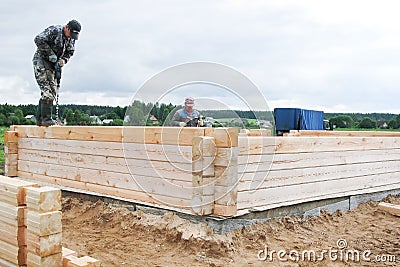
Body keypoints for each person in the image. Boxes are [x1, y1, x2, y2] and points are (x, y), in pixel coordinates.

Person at [33, 19, 81, 126]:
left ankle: (40, 119)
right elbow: (38, 39)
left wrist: (63, 60)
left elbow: (70, 52)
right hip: (42, 61)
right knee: (47, 89)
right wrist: (50, 53)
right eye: (71, 33)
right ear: (67, 28)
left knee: (53, 90)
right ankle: (46, 119)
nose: (71, 37)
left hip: (54, 65)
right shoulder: (55, 30)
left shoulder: (71, 39)